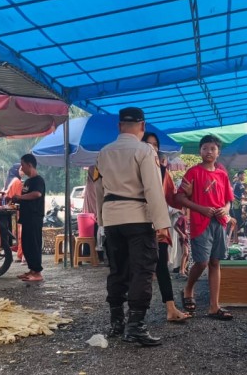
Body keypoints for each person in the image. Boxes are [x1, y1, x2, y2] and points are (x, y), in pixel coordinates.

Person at [95, 107, 171, 346]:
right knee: (142, 270)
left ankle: (117, 322)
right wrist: (162, 224)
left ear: (119, 126)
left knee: (118, 269)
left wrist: (102, 220)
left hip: (112, 218)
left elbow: (99, 189)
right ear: (143, 126)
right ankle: (135, 326)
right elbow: (153, 189)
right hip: (137, 217)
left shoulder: (104, 152)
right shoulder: (144, 150)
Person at [175, 135, 235, 320]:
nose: (209, 152)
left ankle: (214, 306)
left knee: (215, 262)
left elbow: (228, 201)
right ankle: (188, 289)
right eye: (205, 148)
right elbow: (180, 197)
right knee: (201, 262)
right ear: (200, 151)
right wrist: (201, 209)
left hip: (219, 223)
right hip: (200, 223)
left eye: (212, 148)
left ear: (218, 152)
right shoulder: (193, 172)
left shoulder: (222, 174)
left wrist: (224, 210)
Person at [142, 132, 191, 323]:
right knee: (138, 269)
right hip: (137, 224)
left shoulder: (163, 172)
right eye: (147, 144)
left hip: (158, 227)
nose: (152, 148)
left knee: (161, 266)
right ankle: (133, 314)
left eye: (155, 145)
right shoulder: (134, 168)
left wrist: (186, 195)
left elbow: (172, 197)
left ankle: (170, 308)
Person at [12, 155, 45, 282]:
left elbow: (37, 194)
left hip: (34, 217)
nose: (22, 168)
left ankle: (38, 272)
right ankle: (32, 269)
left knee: (34, 244)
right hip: (26, 217)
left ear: (30, 165)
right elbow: (26, 197)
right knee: (26, 244)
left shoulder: (38, 180)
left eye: (23, 165)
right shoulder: (27, 182)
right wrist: (17, 199)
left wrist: (20, 197)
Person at [5, 172, 24, 261]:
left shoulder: (12, 181)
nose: (23, 171)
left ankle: (20, 255)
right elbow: (19, 197)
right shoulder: (17, 182)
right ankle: (21, 255)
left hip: (12, 210)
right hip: (18, 210)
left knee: (19, 233)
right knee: (21, 233)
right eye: (21, 169)